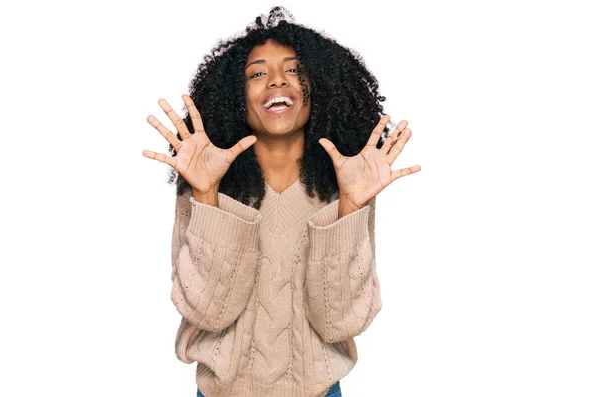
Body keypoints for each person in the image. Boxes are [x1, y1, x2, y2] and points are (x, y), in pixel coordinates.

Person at [143, 6, 421, 397]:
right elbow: (208, 312)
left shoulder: (342, 189)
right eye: (257, 73)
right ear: (236, 97)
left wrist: (351, 209)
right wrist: (206, 195)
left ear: (318, 86)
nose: (276, 80)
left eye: (294, 70)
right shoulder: (205, 183)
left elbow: (339, 322)